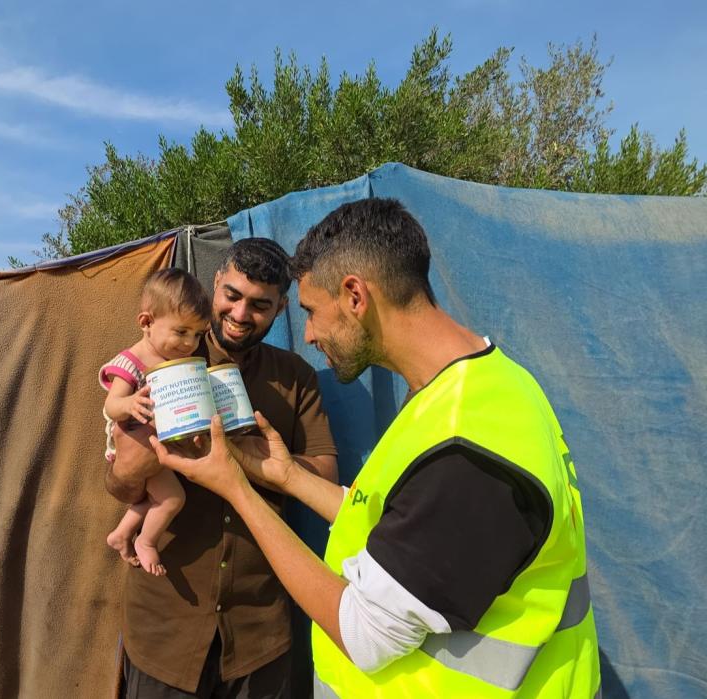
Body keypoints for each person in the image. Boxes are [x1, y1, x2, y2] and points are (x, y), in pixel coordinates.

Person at [152, 198, 602, 698]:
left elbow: (365, 633)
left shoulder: (467, 448)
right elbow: (402, 525)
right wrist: (288, 476)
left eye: (311, 312)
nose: (309, 334)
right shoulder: (484, 386)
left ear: (355, 296)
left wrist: (237, 490)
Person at [106, 238, 339, 698]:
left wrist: (248, 454)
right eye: (231, 295)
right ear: (215, 283)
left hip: (259, 633)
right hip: (165, 629)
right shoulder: (163, 361)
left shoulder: (295, 377)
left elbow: (326, 478)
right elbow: (117, 483)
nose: (239, 313)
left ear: (281, 308)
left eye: (259, 305)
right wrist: (153, 449)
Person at [101, 268, 211, 576]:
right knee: (173, 498)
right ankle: (146, 542)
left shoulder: (172, 363)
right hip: (133, 448)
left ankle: (121, 534)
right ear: (146, 323)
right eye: (181, 332)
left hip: (159, 450)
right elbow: (111, 406)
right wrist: (129, 403)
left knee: (158, 497)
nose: (190, 343)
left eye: (197, 334)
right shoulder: (131, 361)